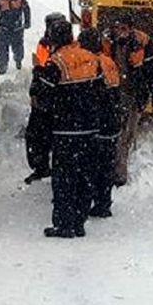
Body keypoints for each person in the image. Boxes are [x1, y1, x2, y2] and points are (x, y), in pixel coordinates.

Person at [33, 19, 102, 238]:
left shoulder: (56, 63)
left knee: (64, 179)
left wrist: (37, 71)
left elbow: (41, 92)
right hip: (91, 129)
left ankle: (64, 225)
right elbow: (101, 91)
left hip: (66, 130)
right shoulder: (91, 59)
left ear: (54, 39)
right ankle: (79, 222)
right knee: (85, 177)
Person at [103, 13, 153, 185]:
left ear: (131, 29)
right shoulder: (105, 42)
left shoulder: (143, 43)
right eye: (117, 28)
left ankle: (118, 172)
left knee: (127, 135)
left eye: (124, 29)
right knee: (115, 134)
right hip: (112, 94)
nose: (120, 32)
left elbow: (152, 71)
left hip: (135, 94)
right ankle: (113, 173)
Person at [77, 27, 122, 218]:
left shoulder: (89, 64)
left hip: (97, 123)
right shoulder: (109, 62)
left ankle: (88, 204)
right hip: (112, 121)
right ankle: (104, 203)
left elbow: (90, 95)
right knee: (107, 164)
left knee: (90, 166)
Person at [22, 12, 68, 185]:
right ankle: (41, 167)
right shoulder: (44, 45)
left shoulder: (68, 49)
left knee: (52, 137)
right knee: (36, 136)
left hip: (58, 99)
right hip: (45, 98)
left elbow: (44, 72)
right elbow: (40, 70)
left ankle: (56, 171)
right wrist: (35, 92)